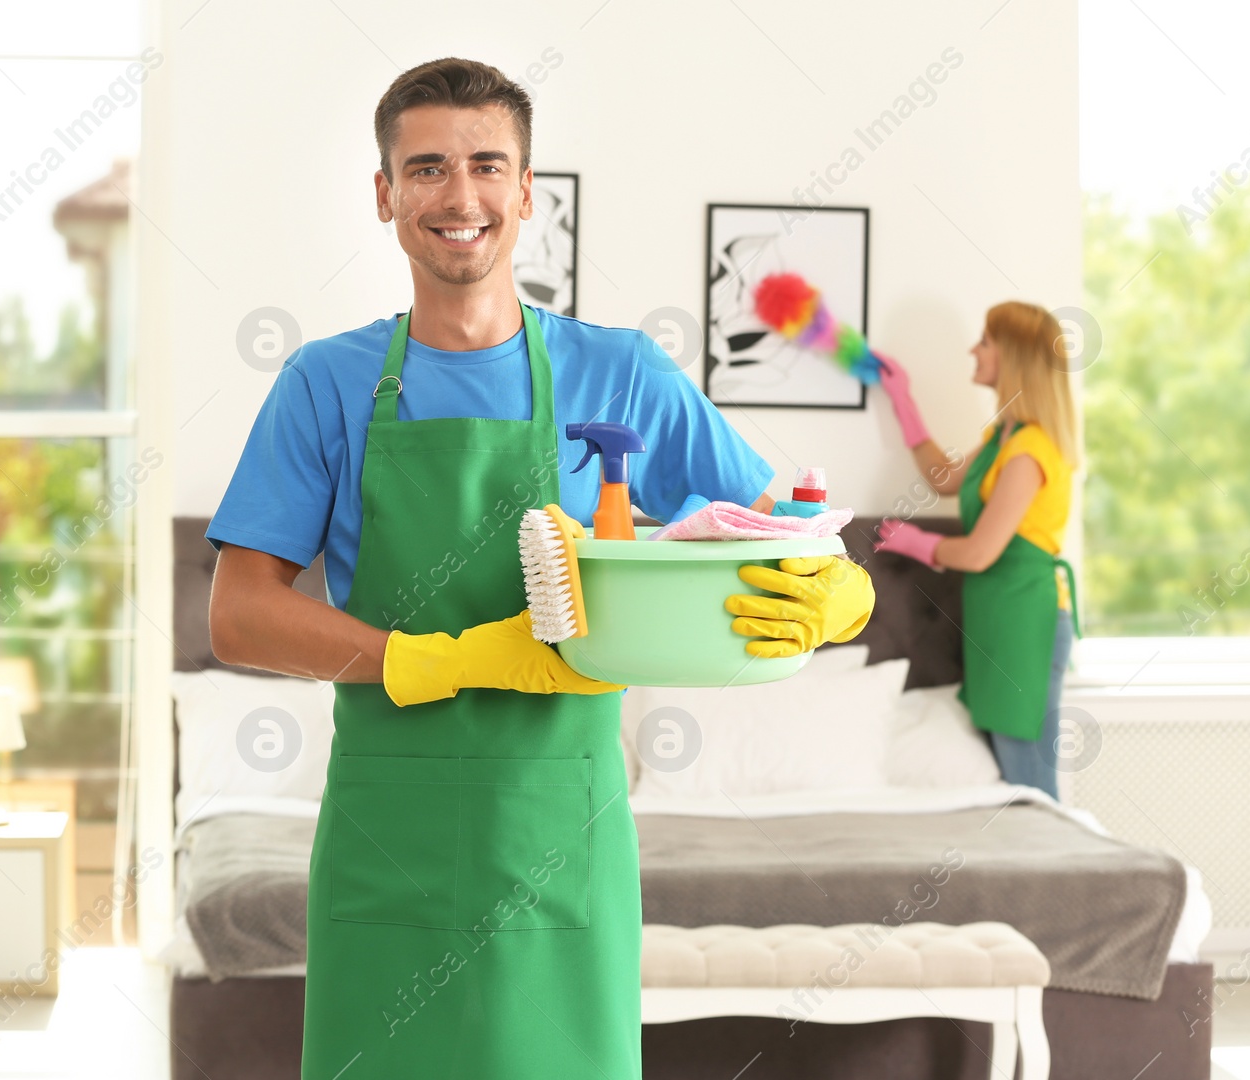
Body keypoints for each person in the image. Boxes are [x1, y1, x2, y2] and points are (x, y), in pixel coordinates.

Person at [205, 57, 874, 1079]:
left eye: (485, 165)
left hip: (560, 833)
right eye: (425, 167)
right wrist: (445, 660)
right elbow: (240, 616)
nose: (458, 195)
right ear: (384, 195)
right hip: (390, 834)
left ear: (526, 193)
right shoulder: (325, 385)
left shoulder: (620, 373)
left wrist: (840, 593)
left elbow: (782, 529)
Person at [873, 302, 1080, 797]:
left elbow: (980, 553)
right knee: (1005, 767)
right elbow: (940, 478)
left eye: (985, 340)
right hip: (998, 616)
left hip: (1024, 620)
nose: (974, 349)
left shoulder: (1030, 450)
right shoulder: (1003, 437)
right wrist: (901, 399)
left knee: (1026, 775)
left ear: (1014, 355)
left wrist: (916, 542)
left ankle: (1045, 868)